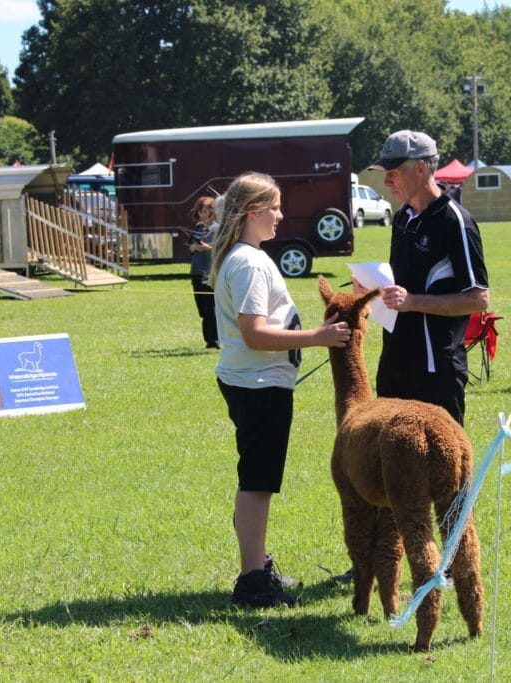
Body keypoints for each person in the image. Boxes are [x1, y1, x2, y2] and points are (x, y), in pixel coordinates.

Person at [211, 172, 351, 607]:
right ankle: (253, 581)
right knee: (258, 483)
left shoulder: (244, 256)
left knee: (257, 479)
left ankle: (256, 565)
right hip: (258, 384)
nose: (280, 215)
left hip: (253, 381)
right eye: (273, 207)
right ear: (252, 211)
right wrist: (318, 337)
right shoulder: (249, 263)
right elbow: (255, 333)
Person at [362, 129, 489, 426]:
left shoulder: (456, 222)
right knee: (390, 453)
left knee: (442, 457)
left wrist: (413, 302)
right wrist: (371, 290)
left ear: (420, 169)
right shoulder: (401, 218)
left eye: (393, 172)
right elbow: (401, 286)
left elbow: (478, 299)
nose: (386, 181)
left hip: (436, 371)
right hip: (393, 364)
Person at [188, 195, 220, 348]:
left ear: (212, 212)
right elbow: (190, 247)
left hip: (210, 273)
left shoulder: (218, 228)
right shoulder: (198, 228)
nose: (203, 214)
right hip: (196, 272)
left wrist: (209, 248)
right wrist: (195, 247)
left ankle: (214, 340)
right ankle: (208, 340)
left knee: (211, 308)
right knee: (202, 309)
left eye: (206, 211)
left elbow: (222, 248)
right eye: (201, 211)